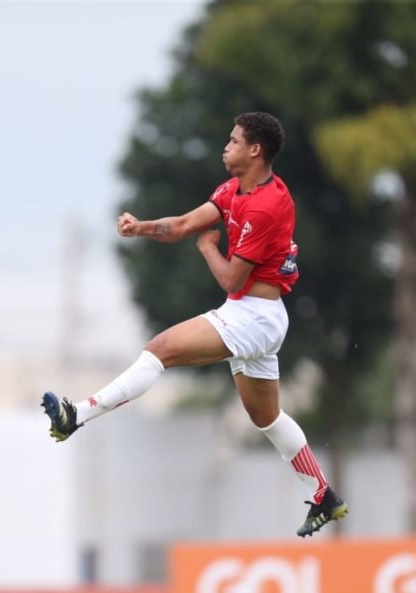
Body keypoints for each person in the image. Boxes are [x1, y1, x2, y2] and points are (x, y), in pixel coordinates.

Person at [41, 112, 347, 537]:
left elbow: (230, 279)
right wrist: (141, 228)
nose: (227, 147)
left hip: (252, 315)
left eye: (234, 140)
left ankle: (77, 415)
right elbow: (184, 224)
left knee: (159, 349)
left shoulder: (266, 205)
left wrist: (207, 249)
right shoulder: (235, 188)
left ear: (255, 150)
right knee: (267, 418)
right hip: (261, 316)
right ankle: (322, 495)